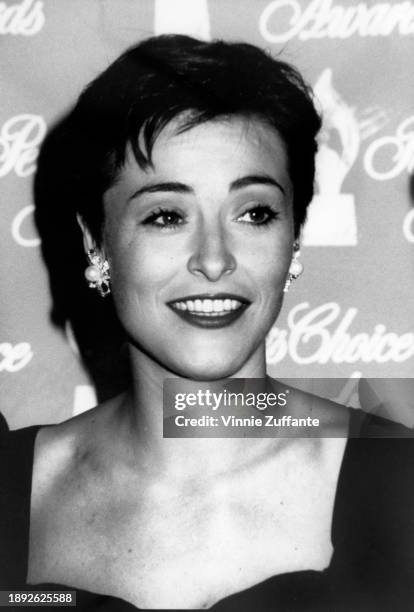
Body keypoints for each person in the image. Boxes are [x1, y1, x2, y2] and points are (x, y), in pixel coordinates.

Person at [1, 34, 413, 611]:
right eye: (166, 215)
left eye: (254, 213)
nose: (215, 259)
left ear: (293, 238)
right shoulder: (9, 488)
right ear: (97, 242)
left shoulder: (403, 484)